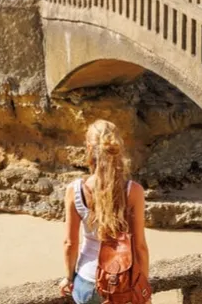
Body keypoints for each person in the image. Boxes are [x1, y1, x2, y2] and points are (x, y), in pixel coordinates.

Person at [60, 120, 150, 304]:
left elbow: (70, 243)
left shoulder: (75, 190)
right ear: (118, 147)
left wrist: (68, 278)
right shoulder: (133, 191)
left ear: (88, 147)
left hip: (86, 282)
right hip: (123, 281)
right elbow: (140, 246)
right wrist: (143, 285)